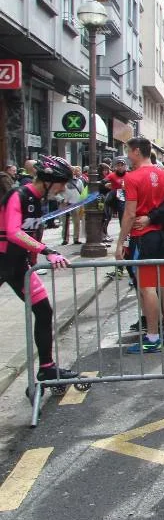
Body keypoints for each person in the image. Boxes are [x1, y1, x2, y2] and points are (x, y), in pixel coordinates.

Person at [0, 156, 80, 383]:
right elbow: (14, 232)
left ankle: (47, 368)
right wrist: (47, 251)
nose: (62, 188)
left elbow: (30, 234)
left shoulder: (37, 200)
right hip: (4, 261)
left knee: (44, 311)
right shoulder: (18, 195)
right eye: (61, 183)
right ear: (47, 180)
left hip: (18, 265)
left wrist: (36, 256)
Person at [116, 137, 164, 354]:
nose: (127, 156)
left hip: (143, 236)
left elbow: (129, 213)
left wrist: (120, 242)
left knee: (147, 287)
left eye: (128, 151)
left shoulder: (132, 178)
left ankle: (152, 336)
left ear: (137, 151)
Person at [103, 157, 128, 243]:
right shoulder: (112, 175)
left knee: (122, 217)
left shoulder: (128, 175)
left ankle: (124, 236)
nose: (120, 167)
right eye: (118, 165)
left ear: (125, 166)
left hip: (123, 199)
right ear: (116, 167)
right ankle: (104, 234)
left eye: (122, 165)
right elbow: (103, 182)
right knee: (107, 216)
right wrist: (106, 185)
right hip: (112, 198)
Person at [60, 166, 85, 246]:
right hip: (64, 204)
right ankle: (65, 239)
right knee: (65, 223)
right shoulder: (62, 180)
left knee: (77, 222)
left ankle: (76, 238)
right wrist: (61, 199)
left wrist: (81, 202)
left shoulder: (79, 181)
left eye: (73, 171)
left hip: (76, 204)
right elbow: (56, 192)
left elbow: (82, 192)